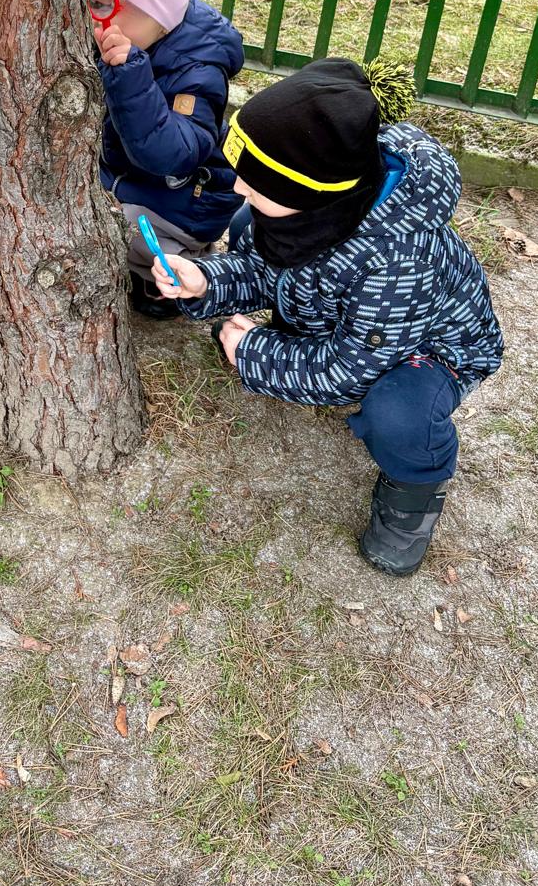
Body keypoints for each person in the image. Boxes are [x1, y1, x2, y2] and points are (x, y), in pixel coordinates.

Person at [149, 58, 504, 575]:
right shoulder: (314, 208)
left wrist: (257, 353)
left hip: (429, 351)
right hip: (355, 323)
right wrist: (208, 282)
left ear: (308, 196)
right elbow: (263, 270)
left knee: (399, 412)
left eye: (257, 183)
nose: (239, 189)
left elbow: (347, 371)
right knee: (250, 225)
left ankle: (414, 491)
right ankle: (293, 337)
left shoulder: (397, 262)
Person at [89, 0, 245, 319]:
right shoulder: (135, 36)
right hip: (133, 180)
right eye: (100, 2)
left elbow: (172, 154)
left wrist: (130, 77)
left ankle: (172, 267)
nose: (106, 21)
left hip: (186, 198)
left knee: (113, 229)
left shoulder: (199, 69)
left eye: (128, 11)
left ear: (164, 19)